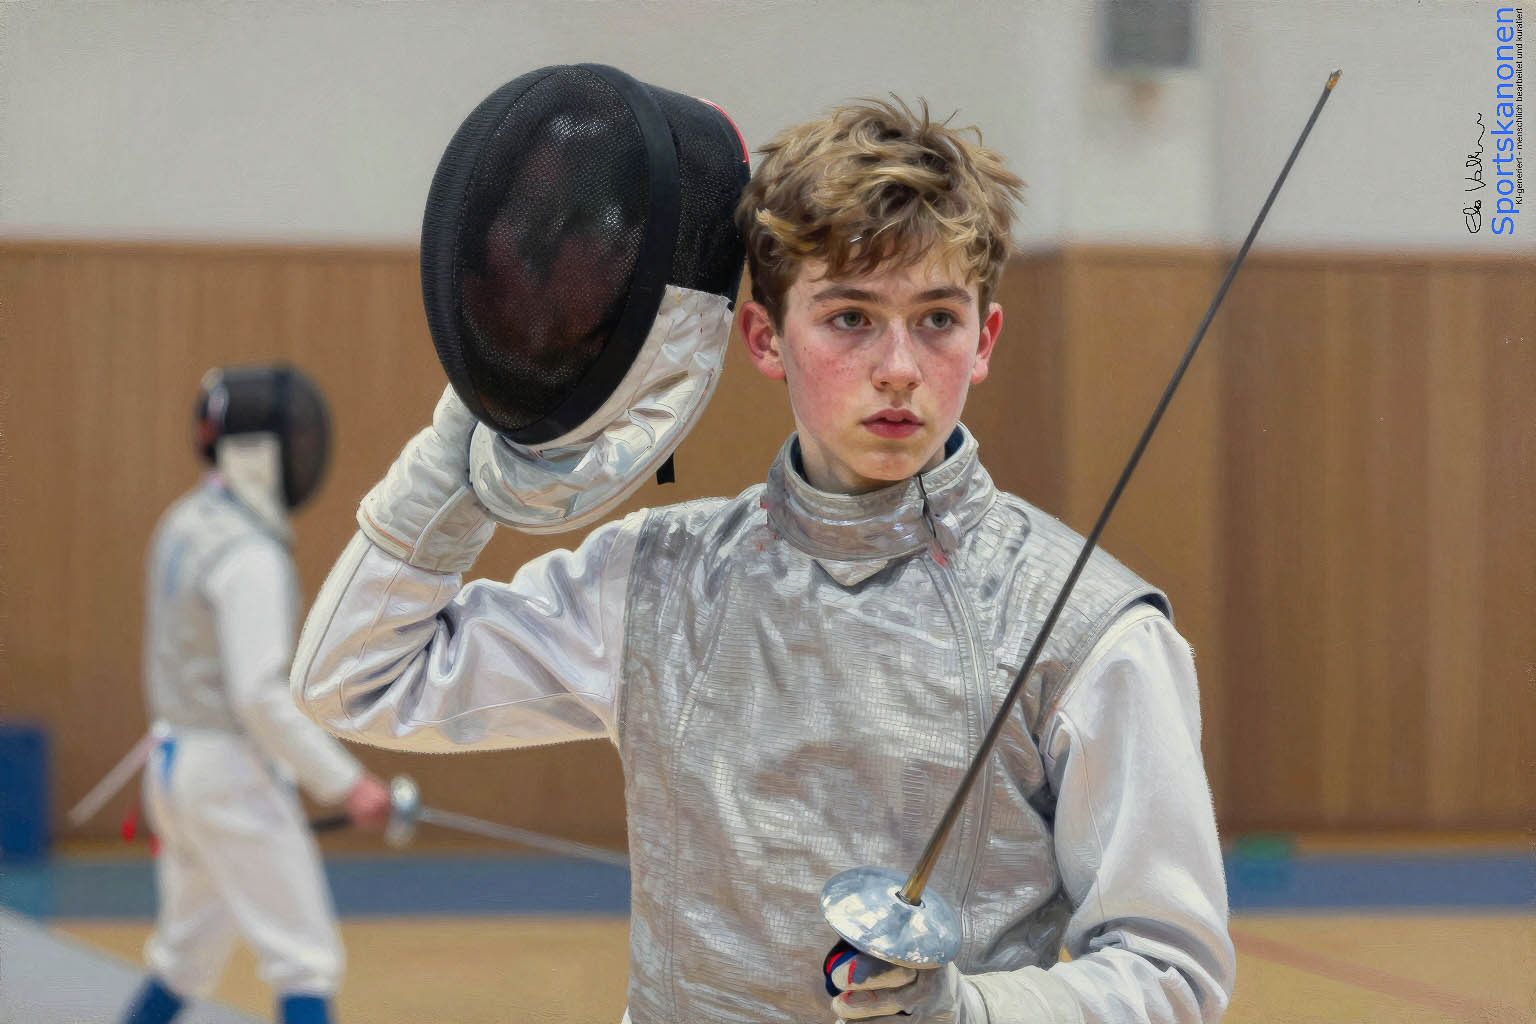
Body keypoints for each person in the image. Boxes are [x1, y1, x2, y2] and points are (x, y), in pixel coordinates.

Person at [293, 99, 1236, 1023]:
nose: (899, 367)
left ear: (984, 339)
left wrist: (975, 1014)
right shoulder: (659, 582)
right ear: (765, 339)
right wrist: (478, 423)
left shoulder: (1085, 629)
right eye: (851, 318)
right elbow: (355, 677)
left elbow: (1170, 970)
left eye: (937, 320)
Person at [120, 366, 390, 1024]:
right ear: (259, 452)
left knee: (184, 960)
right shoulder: (249, 556)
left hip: (173, 767)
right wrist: (347, 784)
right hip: (229, 776)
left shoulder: (185, 522)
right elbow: (260, 695)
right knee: (305, 961)